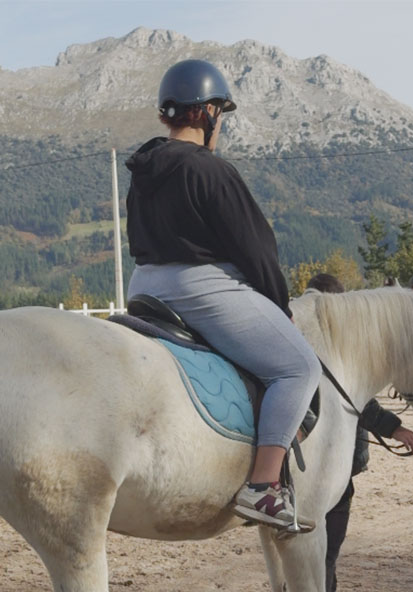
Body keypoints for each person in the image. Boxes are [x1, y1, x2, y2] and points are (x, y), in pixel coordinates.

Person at [125, 59, 322, 532]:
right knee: (299, 367)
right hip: (199, 287)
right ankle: (264, 488)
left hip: (143, 284)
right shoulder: (209, 169)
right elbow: (256, 248)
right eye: (220, 113)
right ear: (204, 113)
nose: (221, 124)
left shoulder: (142, 169)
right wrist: (279, 305)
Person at [304, 274, 413, 592]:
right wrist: (395, 428)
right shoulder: (325, 355)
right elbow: (360, 402)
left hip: (338, 474)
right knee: (323, 553)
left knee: (326, 554)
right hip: (325, 476)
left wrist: (395, 429)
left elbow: (363, 404)